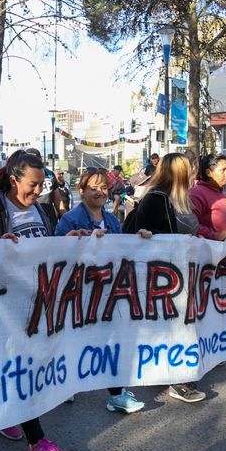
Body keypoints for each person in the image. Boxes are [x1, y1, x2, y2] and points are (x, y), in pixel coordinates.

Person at [0, 150, 73, 451]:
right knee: (22, 370)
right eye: (32, 184)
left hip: (38, 306)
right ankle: (37, 441)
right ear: (14, 180)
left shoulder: (42, 210)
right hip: (4, 312)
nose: (38, 191)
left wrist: (73, 243)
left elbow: (49, 249)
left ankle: (7, 415)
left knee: (22, 369)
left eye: (41, 185)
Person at [55, 167, 150, 413]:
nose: (100, 192)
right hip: (78, 292)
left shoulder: (112, 221)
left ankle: (116, 394)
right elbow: (56, 254)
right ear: (82, 191)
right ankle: (68, 382)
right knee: (75, 338)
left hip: (107, 292)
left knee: (110, 341)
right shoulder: (70, 220)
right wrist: (85, 240)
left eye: (104, 187)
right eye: (93, 187)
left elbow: (122, 251)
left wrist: (139, 239)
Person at [135, 153, 206, 403]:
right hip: (163, 275)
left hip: (180, 272)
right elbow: (139, 237)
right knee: (174, 327)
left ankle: (173, 373)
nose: (193, 174)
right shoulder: (155, 199)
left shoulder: (179, 199)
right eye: (189, 170)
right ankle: (177, 379)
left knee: (178, 325)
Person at [190, 153, 226, 241]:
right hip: (212, 248)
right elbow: (191, 225)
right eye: (223, 170)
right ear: (208, 173)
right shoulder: (197, 193)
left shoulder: (222, 192)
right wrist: (215, 235)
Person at [25, 147, 65, 228]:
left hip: (49, 220)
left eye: (35, 160)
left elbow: (58, 199)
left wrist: (66, 218)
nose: (32, 164)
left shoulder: (50, 174)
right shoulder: (21, 176)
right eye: (29, 160)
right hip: (29, 220)